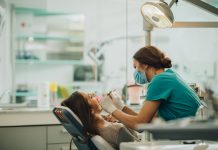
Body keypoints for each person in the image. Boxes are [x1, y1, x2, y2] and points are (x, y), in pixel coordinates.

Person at [100, 45, 202, 129]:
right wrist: (121, 107)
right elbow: (147, 121)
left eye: (135, 67)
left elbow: (139, 124)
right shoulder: (169, 75)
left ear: (145, 65)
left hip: (187, 137)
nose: (135, 72)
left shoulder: (159, 81)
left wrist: (111, 108)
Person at [61, 91, 139, 150]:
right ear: (91, 110)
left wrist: (118, 118)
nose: (95, 96)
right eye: (91, 97)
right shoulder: (118, 130)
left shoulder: (93, 129)